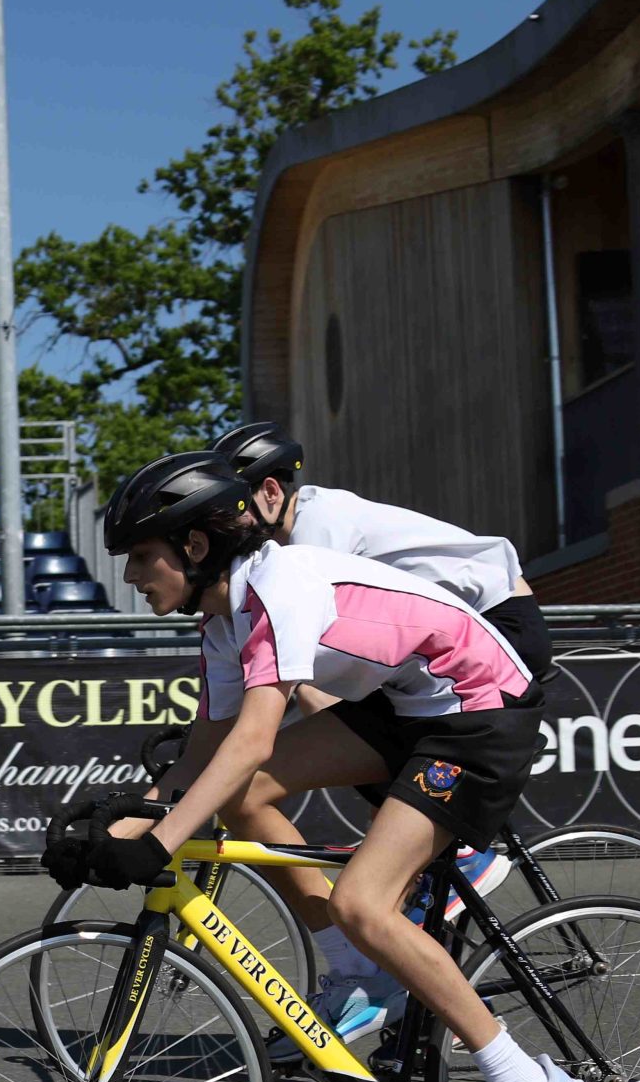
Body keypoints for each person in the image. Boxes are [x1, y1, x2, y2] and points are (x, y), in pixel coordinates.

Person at [52, 454, 587, 1082]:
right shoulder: (220, 618)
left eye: (143, 556)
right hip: (407, 704)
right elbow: (209, 749)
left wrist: (162, 839)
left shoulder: (276, 587)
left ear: (195, 547)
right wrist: (127, 816)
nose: (132, 574)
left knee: (362, 901)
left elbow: (254, 739)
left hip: (476, 706)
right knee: (245, 801)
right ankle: (366, 971)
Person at [200, 423, 554, 1044]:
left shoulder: (318, 527)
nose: (229, 522)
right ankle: (371, 960)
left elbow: (310, 679)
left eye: (236, 506)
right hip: (430, 660)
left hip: (496, 628)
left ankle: (455, 857)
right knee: (312, 749)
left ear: (274, 493)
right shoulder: (271, 557)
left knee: (343, 732)